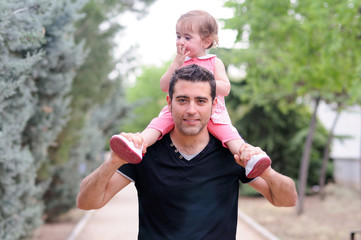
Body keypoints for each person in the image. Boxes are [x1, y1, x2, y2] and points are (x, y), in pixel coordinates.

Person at [77, 64, 298, 240]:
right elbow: (87, 202)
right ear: (169, 102)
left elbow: (286, 200)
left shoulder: (232, 154)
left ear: (214, 105)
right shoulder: (142, 152)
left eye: (200, 101)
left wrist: (267, 172)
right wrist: (112, 162)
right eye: (182, 100)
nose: (191, 109)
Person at [110, 10, 270, 178]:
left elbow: (225, 88)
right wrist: (176, 63)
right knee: (157, 124)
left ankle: (249, 157)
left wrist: (202, 82)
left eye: (187, 37)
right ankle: (137, 144)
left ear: (206, 41)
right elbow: (164, 86)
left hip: (213, 112)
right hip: (180, 110)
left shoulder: (214, 62)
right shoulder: (180, 62)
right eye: (178, 36)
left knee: (230, 137)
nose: (180, 41)